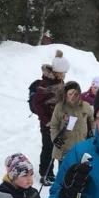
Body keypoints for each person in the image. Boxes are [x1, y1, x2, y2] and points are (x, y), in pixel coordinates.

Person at [29, 50, 70, 185]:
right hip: (47, 123)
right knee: (48, 147)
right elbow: (37, 103)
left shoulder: (59, 81)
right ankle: (45, 174)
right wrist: (46, 121)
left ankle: (52, 173)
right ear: (57, 71)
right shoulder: (45, 84)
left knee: (57, 146)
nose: (64, 74)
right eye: (63, 72)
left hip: (58, 121)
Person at [50, 81, 95, 165]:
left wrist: (92, 131)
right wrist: (55, 138)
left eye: (75, 94)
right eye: (70, 94)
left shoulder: (86, 106)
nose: (72, 97)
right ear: (65, 94)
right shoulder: (60, 107)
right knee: (64, 173)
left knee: (79, 173)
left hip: (81, 146)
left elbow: (93, 120)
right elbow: (54, 125)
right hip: (64, 147)